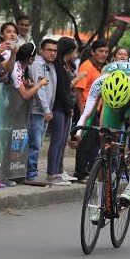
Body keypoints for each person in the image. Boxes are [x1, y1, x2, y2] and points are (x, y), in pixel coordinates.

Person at [70, 62, 130, 216]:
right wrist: (78, 135)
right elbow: (86, 114)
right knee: (105, 140)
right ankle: (101, 203)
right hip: (111, 99)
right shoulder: (99, 83)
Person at [47, 38, 82, 185]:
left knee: (62, 142)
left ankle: (59, 171)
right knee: (56, 141)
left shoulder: (64, 65)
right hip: (59, 108)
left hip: (66, 109)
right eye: (74, 51)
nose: (76, 54)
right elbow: (62, 90)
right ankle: (52, 173)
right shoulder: (57, 66)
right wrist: (69, 107)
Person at [73, 39, 108, 181]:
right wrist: (83, 113)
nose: (104, 54)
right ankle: (81, 173)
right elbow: (78, 90)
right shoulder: (86, 66)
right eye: (100, 51)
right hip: (85, 110)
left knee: (94, 143)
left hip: (97, 110)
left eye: (106, 51)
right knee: (83, 142)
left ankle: (90, 171)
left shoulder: (103, 68)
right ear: (93, 52)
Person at [26, 39, 58, 182]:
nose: (52, 53)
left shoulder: (50, 66)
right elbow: (40, 90)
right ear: (41, 50)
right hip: (36, 110)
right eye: (49, 50)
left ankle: (32, 171)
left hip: (45, 111)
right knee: (35, 142)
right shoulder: (38, 65)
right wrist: (46, 109)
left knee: (38, 144)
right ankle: (30, 173)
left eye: (55, 51)